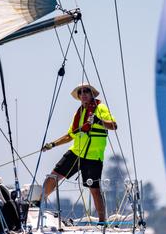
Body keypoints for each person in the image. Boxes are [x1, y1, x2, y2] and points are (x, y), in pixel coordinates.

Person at [41, 83, 117, 222]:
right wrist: (53, 144)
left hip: (93, 156)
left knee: (94, 189)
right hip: (76, 153)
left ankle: (102, 222)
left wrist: (98, 121)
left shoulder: (101, 108)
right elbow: (70, 135)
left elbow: (113, 125)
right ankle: (36, 207)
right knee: (53, 177)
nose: (83, 94)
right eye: (80, 92)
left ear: (92, 94)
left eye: (86, 91)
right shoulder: (79, 112)